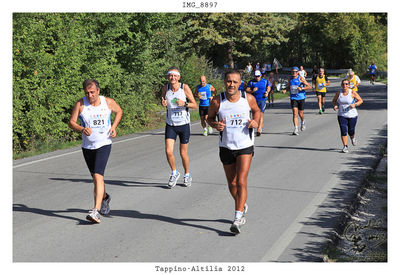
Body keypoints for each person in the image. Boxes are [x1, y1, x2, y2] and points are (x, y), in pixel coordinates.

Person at [206, 69, 261, 234]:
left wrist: (255, 122)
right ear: (225, 82)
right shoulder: (217, 101)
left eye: (235, 82)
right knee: (232, 183)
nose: (231, 84)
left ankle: (237, 217)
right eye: (229, 81)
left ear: (240, 83)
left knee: (241, 181)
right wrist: (215, 125)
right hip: (226, 146)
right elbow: (209, 118)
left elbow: (257, 111)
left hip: (245, 145)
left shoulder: (248, 99)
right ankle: (241, 204)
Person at [68, 79, 123, 223]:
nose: (90, 95)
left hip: (104, 144)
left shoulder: (108, 102)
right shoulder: (81, 104)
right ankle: (105, 197)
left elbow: (119, 111)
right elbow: (71, 122)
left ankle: (95, 211)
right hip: (87, 147)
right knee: (96, 179)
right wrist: (82, 129)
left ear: (98, 91)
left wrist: (114, 127)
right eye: (87, 93)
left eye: (92, 92)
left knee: (98, 176)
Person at [161, 66, 198, 188]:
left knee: (183, 153)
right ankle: (174, 172)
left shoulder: (184, 88)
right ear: (168, 77)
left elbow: (194, 105)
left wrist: (185, 103)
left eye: (175, 76)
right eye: (171, 76)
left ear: (179, 77)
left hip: (183, 125)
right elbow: (163, 101)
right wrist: (163, 103)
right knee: (168, 151)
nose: (173, 78)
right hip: (171, 124)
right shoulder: (165, 88)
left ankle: (187, 174)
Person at [332, 79, 363, 153]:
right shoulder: (339, 93)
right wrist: (335, 105)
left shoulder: (352, 92)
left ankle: (352, 138)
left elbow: (360, 100)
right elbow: (334, 101)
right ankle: (345, 146)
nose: (344, 85)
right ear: (341, 85)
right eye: (343, 84)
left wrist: (354, 104)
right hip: (341, 115)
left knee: (351, 131)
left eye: (346, 84)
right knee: (343, 131)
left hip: (352, 115)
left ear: (349, 85)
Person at [283, 66, 312, 135]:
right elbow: (289, 87)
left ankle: (303, 121)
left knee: (300, 113)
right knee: (295, 113)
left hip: (301, 98)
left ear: (298, 72)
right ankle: (295, 129)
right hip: (293, 98)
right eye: (292, 72)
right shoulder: (290, 79)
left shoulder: (300, 78)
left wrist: (302, 89)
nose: (294, 73)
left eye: (295, 72)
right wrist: (285, 90)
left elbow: (309, 86)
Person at [246, 70, 270, 136]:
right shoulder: (251, 82)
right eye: (256, 76)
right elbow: (247, 89)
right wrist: (252, 90)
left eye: (258, 76)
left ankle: (259, 129)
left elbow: (268, 87)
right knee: (254, 115)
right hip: (253, 101)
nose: (257, 78)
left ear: (261, 75)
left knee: (261, 115)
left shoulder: (264, 81)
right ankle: (254, 126)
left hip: (262, 100)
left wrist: (267, 92)